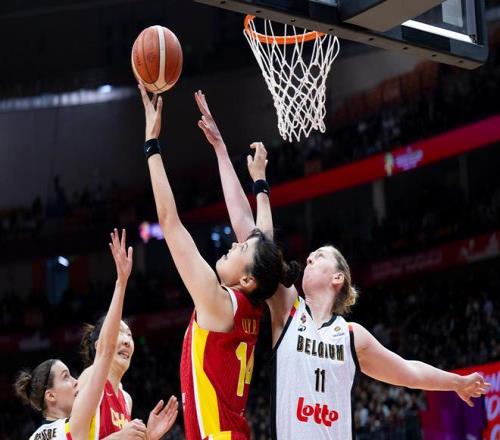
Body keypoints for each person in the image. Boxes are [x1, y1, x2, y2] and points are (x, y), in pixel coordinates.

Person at [194, 90, 492, 439]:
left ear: (338, 277)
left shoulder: (352, 336)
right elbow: (252, 236)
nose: (309, 257)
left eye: (319, 256)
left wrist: (456, 382)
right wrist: (225, 154)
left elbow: (409, 372)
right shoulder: (288, 312)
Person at [138, 83, 298, 440]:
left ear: (247, 280)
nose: (234, 244)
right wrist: (228, 156)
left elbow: (169, 221)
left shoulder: (219, 302)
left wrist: (151, 144)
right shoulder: (252, 303)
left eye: (240, 249)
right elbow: (258, 237)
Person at [14, 229, 151, 440]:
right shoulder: (71, 428)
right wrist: (121, 283)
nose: (76, 381)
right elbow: (105, 352)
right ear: (51, 395)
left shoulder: (38, 435)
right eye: (66, 377)